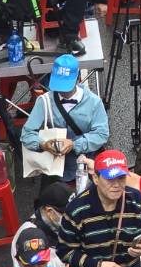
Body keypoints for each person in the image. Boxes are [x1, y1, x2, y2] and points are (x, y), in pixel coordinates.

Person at [21, 54, 109, 185]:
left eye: (66, 86)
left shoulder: (94, 102)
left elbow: (102, 135)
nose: (61, 91)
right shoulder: (44, 101)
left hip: (85, 166)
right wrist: (44, 144)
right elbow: (26, 135)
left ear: (78, 79)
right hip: (53, 170)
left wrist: (74, 144)